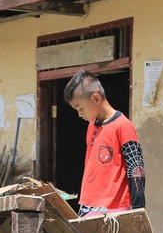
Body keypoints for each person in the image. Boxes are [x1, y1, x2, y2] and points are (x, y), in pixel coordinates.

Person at [62, 69, 146, 219]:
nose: (79, 114)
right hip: (88, 208)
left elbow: (136, 170)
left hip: (114, 210)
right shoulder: (91, 126)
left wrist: (138, 212)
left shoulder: (123, 126)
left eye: (80, 108)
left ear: (95, 98)